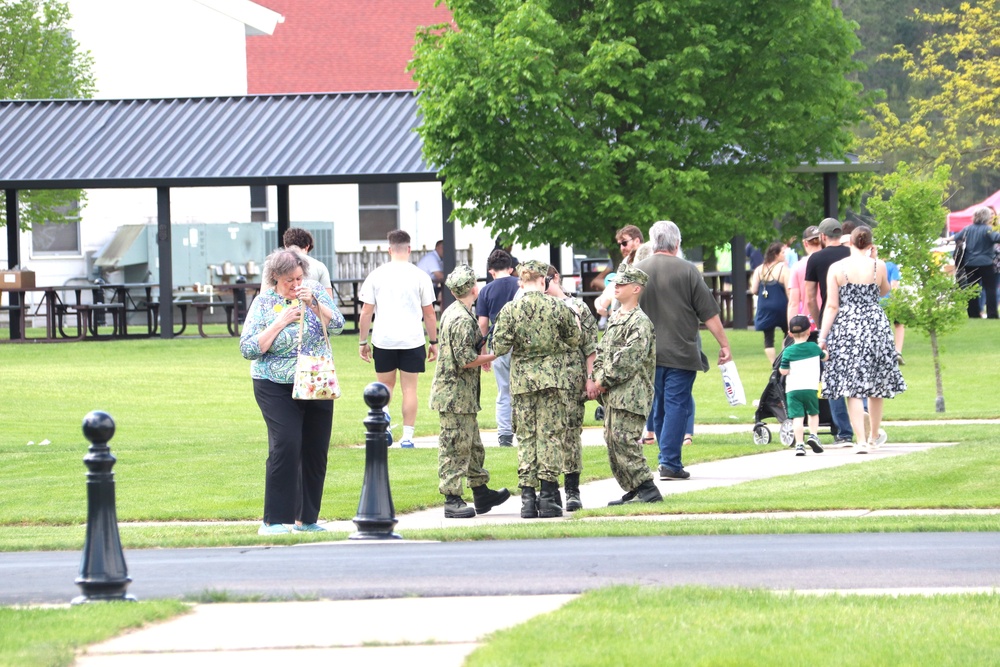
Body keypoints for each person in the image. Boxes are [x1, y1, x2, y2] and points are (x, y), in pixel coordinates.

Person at [240, 248, 345, 535]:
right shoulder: (263, 303)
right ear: (275, 278)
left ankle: (306, 518)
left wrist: (314, 305)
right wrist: (281, 321)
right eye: (289, 280)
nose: (296, 285)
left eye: (299, 278)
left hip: (314, 379)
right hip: (273, 383)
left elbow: (338, 325)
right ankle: (273, 520)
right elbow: (248, 349)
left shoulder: (313, 291)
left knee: (315, 449)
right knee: (286, 443)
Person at [635, 220, 732, 481]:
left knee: (659, 405)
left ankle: (666, 459)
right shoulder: (688, 271)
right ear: (676, 243)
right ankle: (669, 462)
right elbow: (709, 313)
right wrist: (724, 345)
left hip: (647, 353)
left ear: (653, 242)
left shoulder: (637, 270)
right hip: (681, 351)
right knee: (677, 404)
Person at [492, 259, 580, 519]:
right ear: (543, 281)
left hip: (522, 383)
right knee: (550, 435)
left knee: (527, 437)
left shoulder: (510, 309)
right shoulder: (557, 306)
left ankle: (528, 498)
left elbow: (499, 346)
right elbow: (574, 338)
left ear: (521, 282)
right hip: (552, 380)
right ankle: (549, 495)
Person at [429, 264, 510, 518]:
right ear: (474, 288)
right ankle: (452, 499)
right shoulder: (462, 319)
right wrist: (490, 356)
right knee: (455, 447)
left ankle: (480, 491)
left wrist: (481, 356)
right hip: (455, 396)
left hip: (461, 396)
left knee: (473, 445)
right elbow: (465, 359)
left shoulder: (455, 311)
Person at [818, 225, 907, 454]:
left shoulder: (837, 268)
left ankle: (860, 440)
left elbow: (831, 305)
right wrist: (875, 261)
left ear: (849, 243)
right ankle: (874, 435)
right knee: (876, 383)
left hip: (848, 325)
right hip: (874, 324)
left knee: (852, 386)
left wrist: (823, 336)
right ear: (869, 244)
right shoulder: (879, 266)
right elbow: (884, 291)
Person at [588, 266, 663, 505]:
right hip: (613, 393)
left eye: (622, 284)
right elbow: (602, 351)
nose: (616, 287)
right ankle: (634, 487)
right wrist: (597, 375)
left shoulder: (639, 321)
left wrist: (602, 380)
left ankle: (647, 488)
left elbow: (629, 358)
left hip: (631, 394)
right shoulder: (616, 317)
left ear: (636, 288)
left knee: (624, 440)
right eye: (615, 283)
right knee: (612, 440)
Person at [357, 230, 438, 449]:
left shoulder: (377, 274)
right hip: (412, 339)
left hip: (384, 339)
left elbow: (366, 312)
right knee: (410, 389)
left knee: (385, 386)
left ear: (389, 249)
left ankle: (384, 426)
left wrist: (363, 342)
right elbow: (430, 313)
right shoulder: (420, 275)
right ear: (409, 249)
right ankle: (408, 437)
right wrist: (434, 342)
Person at [545, 265, 599, 511]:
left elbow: (590, 348)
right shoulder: (537, 308)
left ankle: (572, 490)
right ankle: (549, 489)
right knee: (547, 436)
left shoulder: (579, 307)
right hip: (546, 382)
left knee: (571, 435)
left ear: (555, 278)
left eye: (545, 280)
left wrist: (590, 377)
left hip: (572, 379)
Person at [804, 217, 854, 446]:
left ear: (822, 237)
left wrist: (819, 321)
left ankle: (843, 432)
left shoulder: (816, 259)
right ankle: (862, 423)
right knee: (857, 373)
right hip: (856, 320)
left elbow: (810, 297)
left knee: (832, 376)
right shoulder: (852, 255)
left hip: (830, 319)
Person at [476, 249, 521, 447]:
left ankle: (504, 434)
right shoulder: (520, 286)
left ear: (491, 271)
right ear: (511, 269)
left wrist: (483, 352)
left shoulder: (486, 290)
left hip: (499, 345)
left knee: (504, 390)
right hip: (522, 343)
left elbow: (483, 324)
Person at [779, 315, 827, 457]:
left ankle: (800, 444)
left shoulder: (788, 351)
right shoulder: (813, 347)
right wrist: (824, 351)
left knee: (797, 417)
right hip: (811, 387)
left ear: (790, 334)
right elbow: (825, 357)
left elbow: (784, 370)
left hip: (793, 389)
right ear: (809, 331)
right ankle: (813, 435)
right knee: (813, 413)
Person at [953, 206, 1000, 319]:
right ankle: (992, 314)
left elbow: (956, 237)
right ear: (986, 217)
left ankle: (973, 314)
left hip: (970, 264)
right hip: (986, 263)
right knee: (990, 288)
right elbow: (997, 238)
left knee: (972, 289)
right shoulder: (988, 229)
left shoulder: (968, 228)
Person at [751, 241, 790, 364]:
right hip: (781, 306)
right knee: (787, 333)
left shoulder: (759, 269)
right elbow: (789, 291)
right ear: (776, 254)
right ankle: (783, 361)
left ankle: (774, 364)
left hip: (765, 306)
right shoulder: (783, 269)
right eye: (783, 252)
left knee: (768, 338)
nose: (784, 255)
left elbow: (754, 290)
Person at [595, 225, 645, 322]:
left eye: (625, 243)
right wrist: (599, 304)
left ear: (637, 241)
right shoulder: (626, 262)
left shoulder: (646, 261)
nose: (622, 248)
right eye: (620, 244)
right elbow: (608, 294)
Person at [786, 225, 823, 331]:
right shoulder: (830, 264)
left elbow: (794, 302)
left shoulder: (797, 267)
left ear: (805, 243)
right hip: (829, 319)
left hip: (808, 323)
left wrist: (792, 326)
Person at [282, 228, 333, 299]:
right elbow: (328, 301)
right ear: (307, 247)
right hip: (311, 308)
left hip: (282, 309)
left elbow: (263, 299)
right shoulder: (319, 266)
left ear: (285, 245)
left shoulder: (273, 265)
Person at [882, 255, 906, 366]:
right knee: (899, 325)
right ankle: (897, 351)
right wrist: (896, 300)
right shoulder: (891, 266)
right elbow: (894, 284)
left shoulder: (872, 266)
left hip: (876, 302)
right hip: (891, 301)